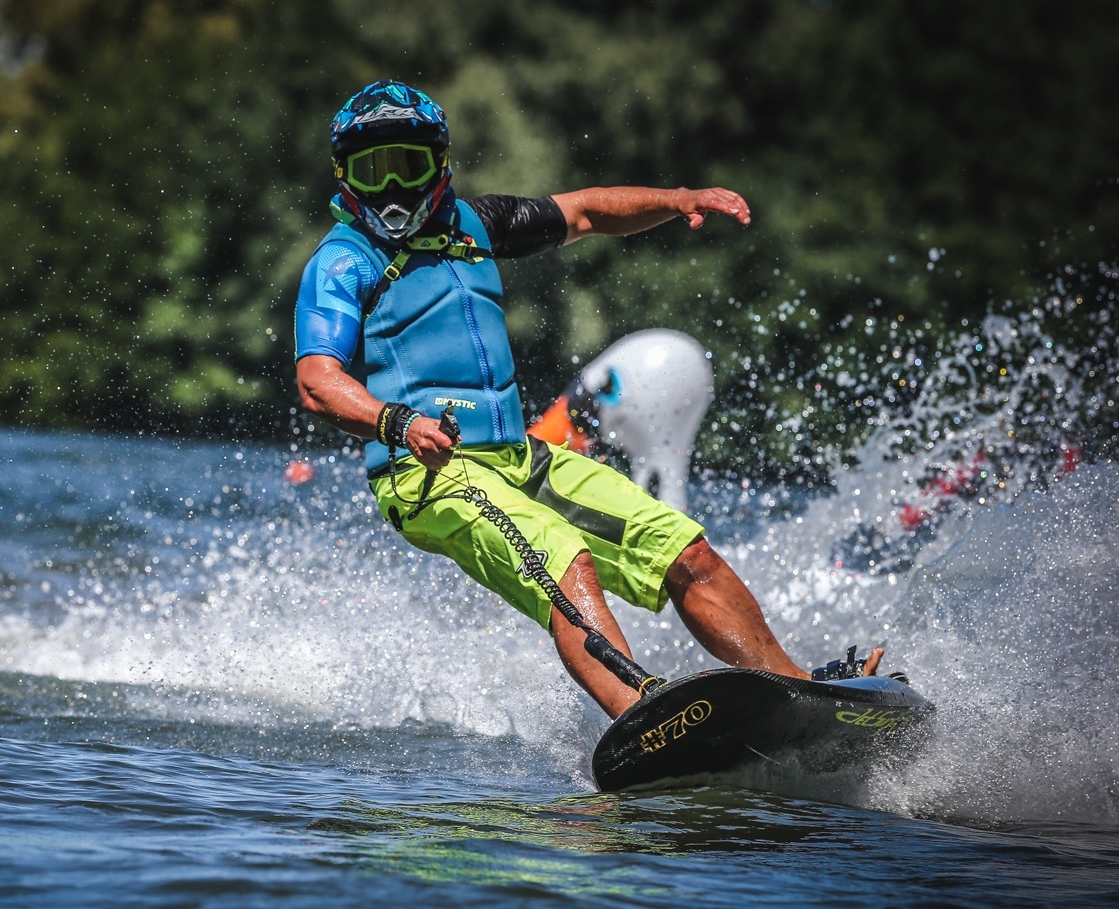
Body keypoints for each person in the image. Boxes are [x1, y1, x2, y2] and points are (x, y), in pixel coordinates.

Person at [293, 80, 881, 719]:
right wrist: (398, 423)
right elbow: (317, 381)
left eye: (406, 166)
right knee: (560, 556)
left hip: (519, 457)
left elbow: (587, 212)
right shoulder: (343, 262)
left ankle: (803, 695)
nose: (390, 188)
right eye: (370, 170)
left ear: (438, 163)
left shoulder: (477, 225)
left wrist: (676, 200)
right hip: (425, 473)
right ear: (343, 175)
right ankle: (644, 715)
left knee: (683, 550)